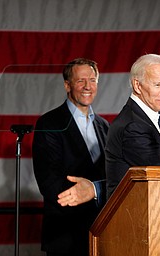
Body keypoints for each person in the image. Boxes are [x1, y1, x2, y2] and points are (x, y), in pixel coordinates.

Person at [32, 58, 109, 256]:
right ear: (67, 85)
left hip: (101, 231)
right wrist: (89, 194)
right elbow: (48, 182)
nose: (87, 87)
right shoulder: (49, 123)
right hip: (65, 234)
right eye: (81, 81)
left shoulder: (105, 126)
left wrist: (94, 192)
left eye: (92, 80)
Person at [105, 54, 160, 198]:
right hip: (136, 214)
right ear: (137, 85)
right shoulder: (133, 126)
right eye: (158, 84)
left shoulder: (148, 117)